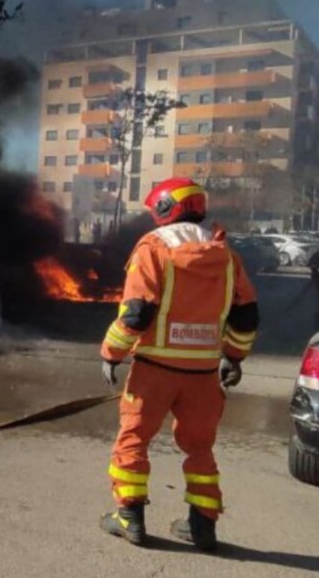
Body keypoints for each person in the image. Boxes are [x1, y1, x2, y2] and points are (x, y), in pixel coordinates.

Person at [98, 177, 259, 552]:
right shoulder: (226, 255)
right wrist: (233, 358)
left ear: (164, 209)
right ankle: (203, 528)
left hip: (154, 369)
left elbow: (135, 314)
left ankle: (130, 519)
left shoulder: (154, 248)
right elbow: (247, 316)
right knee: (200, 448)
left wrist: (111, 353)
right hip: (202, 375)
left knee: (133, 439)